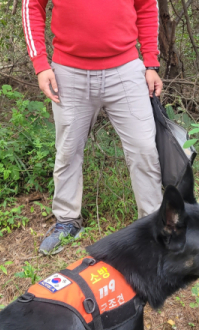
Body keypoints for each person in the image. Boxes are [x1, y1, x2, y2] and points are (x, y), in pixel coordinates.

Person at [23, 0, 163, 255]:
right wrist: (41, 65)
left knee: (144, 148)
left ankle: (154, 227)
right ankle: (67, 221)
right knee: (68, 149)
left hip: (126, 69)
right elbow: (32, 6)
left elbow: (146, 6)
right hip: (69, 71)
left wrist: (151, 62)